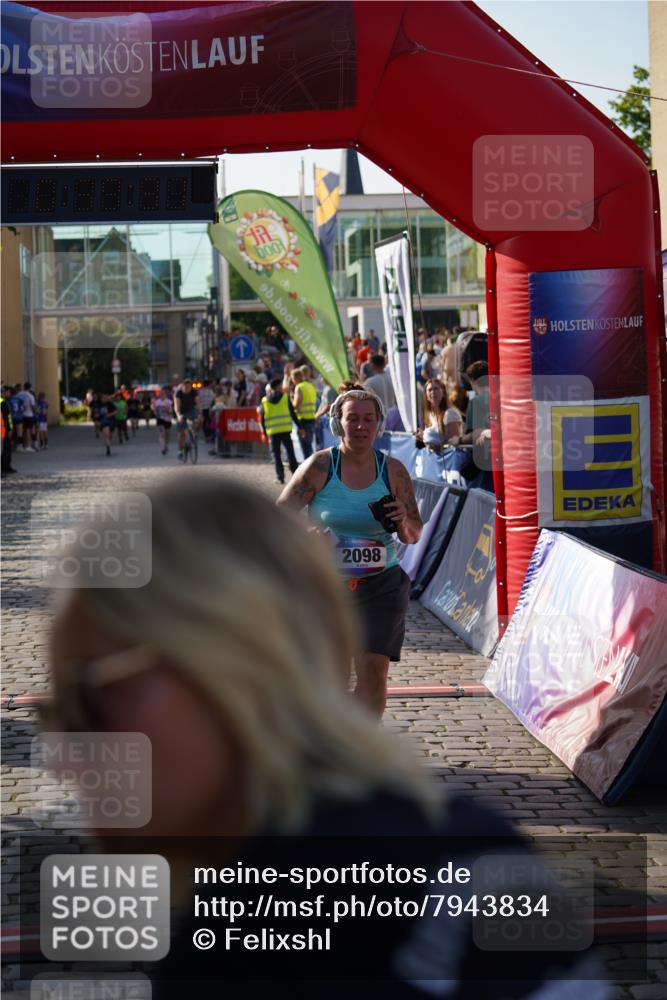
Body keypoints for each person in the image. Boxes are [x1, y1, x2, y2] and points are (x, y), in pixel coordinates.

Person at [278, 387, 422, 716]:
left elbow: (414, 535)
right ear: (337, 424)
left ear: (378, 425)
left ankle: (363, 750)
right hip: (326, 585)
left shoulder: (394, 471)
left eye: (368, 419)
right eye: (352, 419)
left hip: (382, 584)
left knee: (374, 671)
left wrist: (402, 519)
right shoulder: (320, 467)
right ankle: (334, 745)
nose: (360, 426)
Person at [449, 361, 493, 491]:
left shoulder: (476, 402)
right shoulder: (503, 397)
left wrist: (460, 439)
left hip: (483, 465)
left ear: (472, 381)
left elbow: (477, 433)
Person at [259, 377, 299, 484]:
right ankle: (295, 475)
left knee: (276, 455)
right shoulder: (285, 398)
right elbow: (293, 413)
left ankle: (280, 477)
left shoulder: (265, 400)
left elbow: (262, 418)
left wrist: (264, 432)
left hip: (273, 432)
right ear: (277, 387)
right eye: (281, 385)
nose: (283, 387)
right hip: (285, 430)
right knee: (290, 453)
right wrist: (300, 426)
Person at [415, 378, 462, 453]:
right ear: (426, 396)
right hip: (434, 460)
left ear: (443, 392)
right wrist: (423, 437)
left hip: (449, 461)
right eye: (430, 390)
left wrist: (436, 446)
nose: (433, 392)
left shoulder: (450, 413)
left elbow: (454, 445)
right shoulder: (430, 414)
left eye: (436, 389)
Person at [291, 366, 317, 460]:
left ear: (296, 378)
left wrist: (291, 404)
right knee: (309, 445)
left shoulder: (299, 387)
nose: (292, 381)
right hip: (312, 418)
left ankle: (309, 468)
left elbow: (297, 403)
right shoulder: (310, 386)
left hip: (303, 420)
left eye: (293, 379)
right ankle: (311, 466)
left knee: (305, 447)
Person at [174, 379, 201, 460]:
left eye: (189, 387)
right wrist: (178, 415)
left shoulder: (193, 392)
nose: (187, 389)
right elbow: (176, 406)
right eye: (186, 387)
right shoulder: (178, 393)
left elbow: (198, 403)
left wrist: (199, 413)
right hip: (181, 411)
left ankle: (194, 433)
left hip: (191, 410)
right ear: (182, 386)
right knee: (181, 432)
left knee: (199, 420)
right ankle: (180, 451)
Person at [153, 387, 174, 456]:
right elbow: (155, 411)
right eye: (160, 393)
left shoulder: (169, 402)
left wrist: (166, 411)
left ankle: (166, 445)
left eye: (163, 393)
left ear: (165, 394)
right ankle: (163, 448)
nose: (162, 394)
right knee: (162, 434)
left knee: (167, 435)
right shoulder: (157, 402)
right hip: (160, 419)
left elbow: (171, 412)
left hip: (167, 419)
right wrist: (155, 411)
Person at [16, 381, 36, 451]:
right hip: (28, 414)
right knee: (28, 430)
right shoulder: (30, 396)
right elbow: (33, 406)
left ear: (24, 387)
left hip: (20, 415)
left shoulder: (18, 394)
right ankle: (28, 446)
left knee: (22, 431)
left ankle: (22, 445)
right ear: (30, 388)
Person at [1, 390, 17, 475]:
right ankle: (5, 468)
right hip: (4, 430)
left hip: (4, 430)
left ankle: (5, 468)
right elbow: (8, 417)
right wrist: (10, 428)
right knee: (6, 449)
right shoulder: (3, 402)